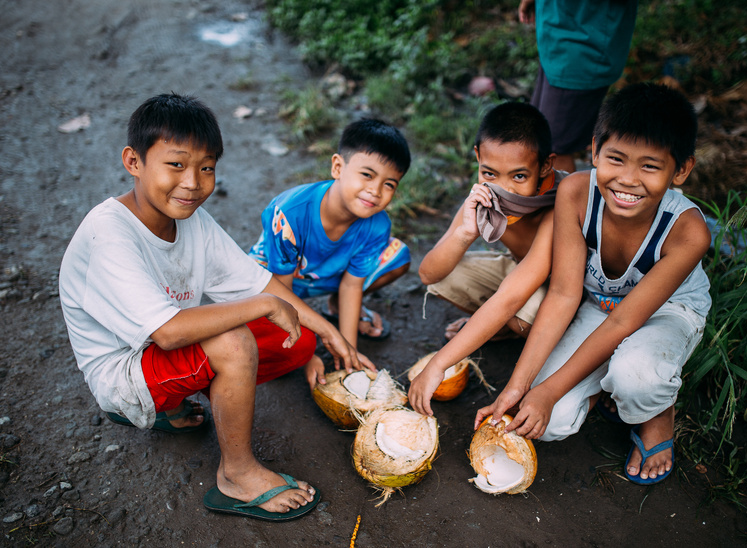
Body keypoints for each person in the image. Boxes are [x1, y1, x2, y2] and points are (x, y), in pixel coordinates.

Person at [59, 93, 367, 522]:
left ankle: (182, 402)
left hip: (159, 351)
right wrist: (264, 304)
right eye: (176, 164)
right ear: (133, 161)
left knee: (297, 339)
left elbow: (260, 282)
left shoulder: (191, 220)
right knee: (234, 342)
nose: (192, 182)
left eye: (206, 168)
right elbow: (168, 332)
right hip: (122, 372)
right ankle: (236, 475)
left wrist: (331, 333)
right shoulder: (108, 234)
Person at [475, 82, 711, 485]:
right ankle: (605, 384)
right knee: (544, 425)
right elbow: (566, 294)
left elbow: (624, 323)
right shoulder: (576, 193)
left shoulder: (688, 232)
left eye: (650, 166)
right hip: (598, 304)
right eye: (616, 159)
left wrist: (547, 391)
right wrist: (519, 386)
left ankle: (656, 412)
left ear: (681, 170)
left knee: (638, 376)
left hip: (666, 313)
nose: (628, 180)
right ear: (594, 151)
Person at [409, 101, 567, 416]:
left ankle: (511, 332)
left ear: (546, 167)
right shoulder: (484, 196)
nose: (503, 188)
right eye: (490, 173)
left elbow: (512, 296)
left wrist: (440, 363)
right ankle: (494, 326)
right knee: (449, 271)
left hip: (560, 293)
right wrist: (465, 233)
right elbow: (428, 274)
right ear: (478, 156)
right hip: (518, 274)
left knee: (518, 310)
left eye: (519, 176)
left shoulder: (562, 200)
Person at [249, 118, 411, 386]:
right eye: (367, 175)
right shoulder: (290, 211)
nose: (375, 190)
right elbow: (280, 292)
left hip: (324, 277)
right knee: (254, 335)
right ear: (338, 167)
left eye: (389, 184)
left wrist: (348, 348)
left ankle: (333, 308)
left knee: (397, 255)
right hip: (274, 281)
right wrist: (307, 353)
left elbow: (351, 286)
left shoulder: (377, 224)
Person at [518, 0, 638, 173]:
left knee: (553, 149)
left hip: (582, 46)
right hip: (558, 39)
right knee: (536, 135)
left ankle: (562, 199)